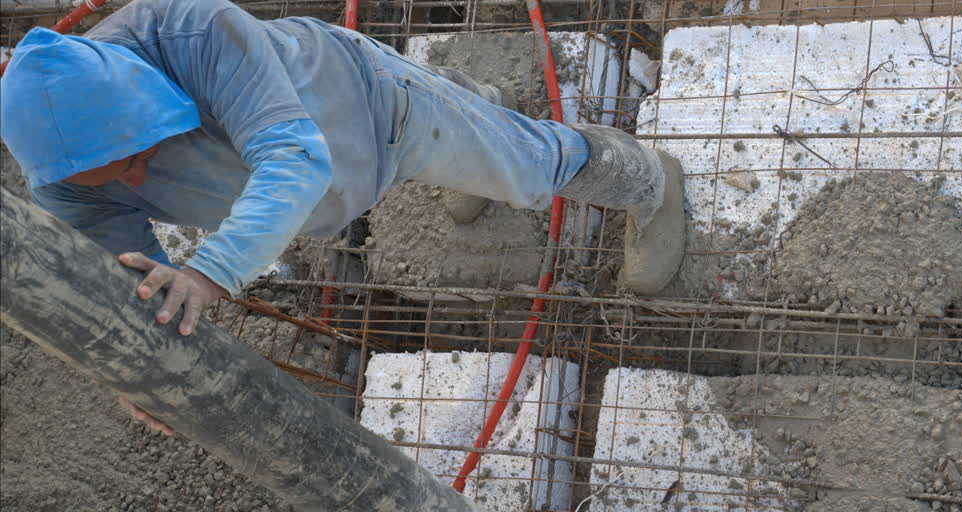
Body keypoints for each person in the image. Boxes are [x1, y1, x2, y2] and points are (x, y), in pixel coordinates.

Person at [1, 0, 686, 434]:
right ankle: (476, 104)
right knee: (474, 138)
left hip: (375, 109)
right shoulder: (64, 178)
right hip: (331, 183)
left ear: (142, 102)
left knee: (530, 167)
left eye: (134, 156)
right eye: (114, 179)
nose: (138, 181)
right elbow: (125, 287)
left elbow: (294, 161)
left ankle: (649, 181)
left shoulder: (197, 32)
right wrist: (137, 372)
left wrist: (211, 272)